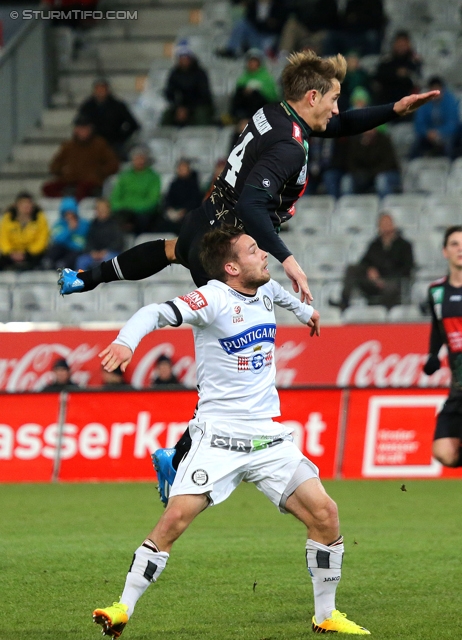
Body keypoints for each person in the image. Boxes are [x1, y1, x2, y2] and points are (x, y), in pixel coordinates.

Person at [59, 50, 439, 492]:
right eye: (334, 99)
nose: (337, 109)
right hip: (226, 248)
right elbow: (254, 204)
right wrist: (289, 259)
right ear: (312, 96)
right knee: (232, 356)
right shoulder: (287, 147)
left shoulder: (275, 114)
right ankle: (179, 454)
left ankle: (88, 277)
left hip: (207, 223)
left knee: (170, 250)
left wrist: (392, 110)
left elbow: (336, 125)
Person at [93, 226, 370, 637]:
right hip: (219, 436)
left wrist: (304, 312)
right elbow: (153, 312)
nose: (265, 256)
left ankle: (325, 615)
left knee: (326, 515)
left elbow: (280, 294)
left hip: (268, 438)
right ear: (231, 267)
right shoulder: (212, 298)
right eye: (255, 251)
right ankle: (122, 608)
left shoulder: (264, 287)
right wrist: (126, 342)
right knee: (173, 522)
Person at [423, 226, 462, 468]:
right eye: (455, 244)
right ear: (445, 251)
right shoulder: (436, 291)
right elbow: (438, 327)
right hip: (457, 384)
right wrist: (433, 355)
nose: (461, 249)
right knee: (444, 451)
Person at [329, 212, 414, 310]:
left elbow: (407, 268)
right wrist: (370, 270)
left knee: (391, 287)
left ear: (393, 224)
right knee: (352, 269)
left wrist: (385, 281)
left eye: (387, 223)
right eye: (382, 224)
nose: (385, 226)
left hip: (393, 282)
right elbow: (364, 262)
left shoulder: (405, 245)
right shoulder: (375, 245)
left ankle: (385, 315)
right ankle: (344, 303)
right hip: (373, 283)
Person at [42, 114, 119, 201]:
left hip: (91, 182)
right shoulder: (68, 146)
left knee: (82, 188)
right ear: (75, 129)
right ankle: (65, 204)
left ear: (90, 129)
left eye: (85, 128)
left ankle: (75, 207)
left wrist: (99, 173)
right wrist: (63, 172)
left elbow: (113, 164)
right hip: (70, 180)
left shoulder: (99, 144)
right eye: (79, 128)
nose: (82, 131)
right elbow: (54, 165)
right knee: (48, 188)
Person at [77, 79, 140, 159]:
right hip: (91, 143)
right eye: (98, 88)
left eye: (103, 88)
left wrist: (121, 137)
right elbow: (79, 123)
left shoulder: (118, 106)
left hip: (112, 143)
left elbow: (133, 124)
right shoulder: (87, 106)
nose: (100, 91)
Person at [109, 146, 162, 236]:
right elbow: (115, 197)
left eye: (141, 158)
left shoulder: (153, 177)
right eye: (136, 158)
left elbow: (152, 200)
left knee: (143, 219)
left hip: (144, 211)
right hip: (125, 210)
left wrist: (133, 207)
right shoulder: (124, 176)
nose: (139, 161)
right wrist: (121, 207)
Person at [161, 42, 214, 127]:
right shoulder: (174, 74)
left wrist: (188, 108)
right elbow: (169, 93)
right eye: (181, 57)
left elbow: (204, 95)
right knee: (167, 115)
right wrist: (178, 107)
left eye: (186, 57)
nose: (184, 60)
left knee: (201, 114)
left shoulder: (200, 73)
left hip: (198, 105)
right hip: (180, 105)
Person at [342, 125, 401, 198]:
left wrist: (371, 173)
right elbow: (351, 162)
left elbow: (389, 163)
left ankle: (385, 206)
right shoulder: (356, 142)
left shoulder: (384, 140)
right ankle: (348, 207)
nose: (368, 132)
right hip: (364, 175)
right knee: (347, 180)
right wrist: (359, 173)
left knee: (381, 180)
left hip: (385, 173)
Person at [410, 76, 461, 160]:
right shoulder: (424, 103)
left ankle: (449, 162)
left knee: (450, 143)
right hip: (429, 135)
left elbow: (453, 123)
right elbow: (419, 123)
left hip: (446, 134)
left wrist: (439, 132)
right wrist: (427, 132)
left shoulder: (450, 101)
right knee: (417, 144)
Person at [218, 0, 288, 58]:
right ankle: (231, 49)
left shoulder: (279, 5)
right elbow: (249, 19)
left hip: (268, 37)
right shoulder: (253, 4)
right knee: (241, 23)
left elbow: (279, 24)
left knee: (263, 52)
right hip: (255, 34)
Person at [0, 192, 49, 271]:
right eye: (23, 204)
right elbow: (3, 239)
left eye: (29, 203)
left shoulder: (39, 218)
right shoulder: (8, 218)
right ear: (17, 205)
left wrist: (27, 253)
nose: (26, 207)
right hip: (12, 253)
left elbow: (42, 240)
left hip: (32, 254)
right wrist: (10, 252)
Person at [373, 31, 421, 106]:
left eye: (404, 44)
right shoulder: (386, 61)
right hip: (387, 101)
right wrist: (395, 73)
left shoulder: (414, 62)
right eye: (399, 43)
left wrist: (407, 74)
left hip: (408, 103)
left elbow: (419, 79)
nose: (401, 47)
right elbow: (378, 77)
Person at [230, 49, 279, 122]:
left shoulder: (266, 77)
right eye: (250, 61)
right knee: (240, 91)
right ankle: (234, 116)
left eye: (255, 61)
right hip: (246, 104)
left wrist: (257, 90)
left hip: (262, 106)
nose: (252, 64)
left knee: (255, 95)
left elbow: (272, 96)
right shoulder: (244, 77)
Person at [75, 199, 124, 272]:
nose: (101, 211)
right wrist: (92, 252)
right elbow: (88, 241)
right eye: (99, 209)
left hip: (110, 253)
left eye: (104, 209)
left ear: (109, 210)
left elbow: (119, 242)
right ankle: (82, 281)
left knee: (109, 261)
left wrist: (105, 251)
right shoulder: (92, 224)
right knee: (81, 260)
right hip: (94, 254)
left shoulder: (116, 224)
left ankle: (108, 282)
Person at [159, 159, 202, 235]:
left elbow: (195, 201)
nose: (181, 170)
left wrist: (183, 211)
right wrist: (169, 209)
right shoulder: (174, 184)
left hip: (188, 214)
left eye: (184, 168)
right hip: (174, 213)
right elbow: (168, 199)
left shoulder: (194, 185)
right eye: (180, 168)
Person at [46, 197, 89, 270]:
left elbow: (81, 243)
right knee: (55, 248)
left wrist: (69, 241)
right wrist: (69, 230)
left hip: (74, 251)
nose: (69, 215)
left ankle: (62, 264)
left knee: (75, 253)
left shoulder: (83, 224)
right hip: (62, 249)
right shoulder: (59, 224)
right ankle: (48, 262)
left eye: (71, 212)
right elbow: (57, 240)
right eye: (66, 212)